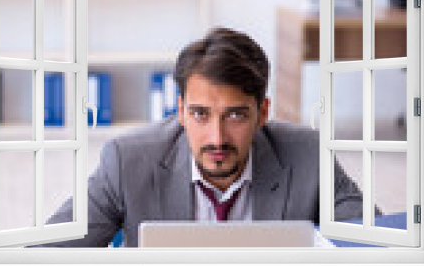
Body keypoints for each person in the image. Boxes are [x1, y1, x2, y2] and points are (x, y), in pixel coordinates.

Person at [41, 27, 364, 247]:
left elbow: (374, 243)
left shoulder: (308, 154)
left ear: (263, 112)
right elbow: (50, 253)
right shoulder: (126, 159)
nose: (217, 138)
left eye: (235, 114)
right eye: (200, 114)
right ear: (180, 110)